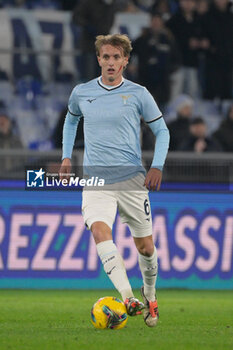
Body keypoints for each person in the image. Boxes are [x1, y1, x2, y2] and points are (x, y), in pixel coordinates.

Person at [60, 34, 170, 327]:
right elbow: (71, 121)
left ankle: (150, 295)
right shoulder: (82, 92)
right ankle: (127, 296)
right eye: (105, 57)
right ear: (98, 59)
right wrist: (66, 157)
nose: (110, 62)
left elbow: (163, 132)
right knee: (99, 230)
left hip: (132, 180)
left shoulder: (138, 94)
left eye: (116, 57)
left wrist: (157, 166)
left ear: (125, 61)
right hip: (96, 180)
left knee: (146, 247)